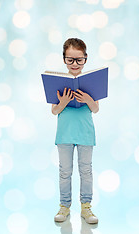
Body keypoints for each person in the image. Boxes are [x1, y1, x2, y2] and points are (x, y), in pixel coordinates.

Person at [52, 38, 99, 224]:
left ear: (85, 59)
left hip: (85, 133)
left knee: (86, 171)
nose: (75, 64)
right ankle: (64, 206)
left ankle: (86, 208)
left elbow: (95, 109)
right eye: (70, 59)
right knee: (65, 171)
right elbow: (54, 110)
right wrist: (62, 102)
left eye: (79, 60)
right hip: (64, 134)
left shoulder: (92, 82)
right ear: (64, 59)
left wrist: (88, 98)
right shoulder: (57, 82)